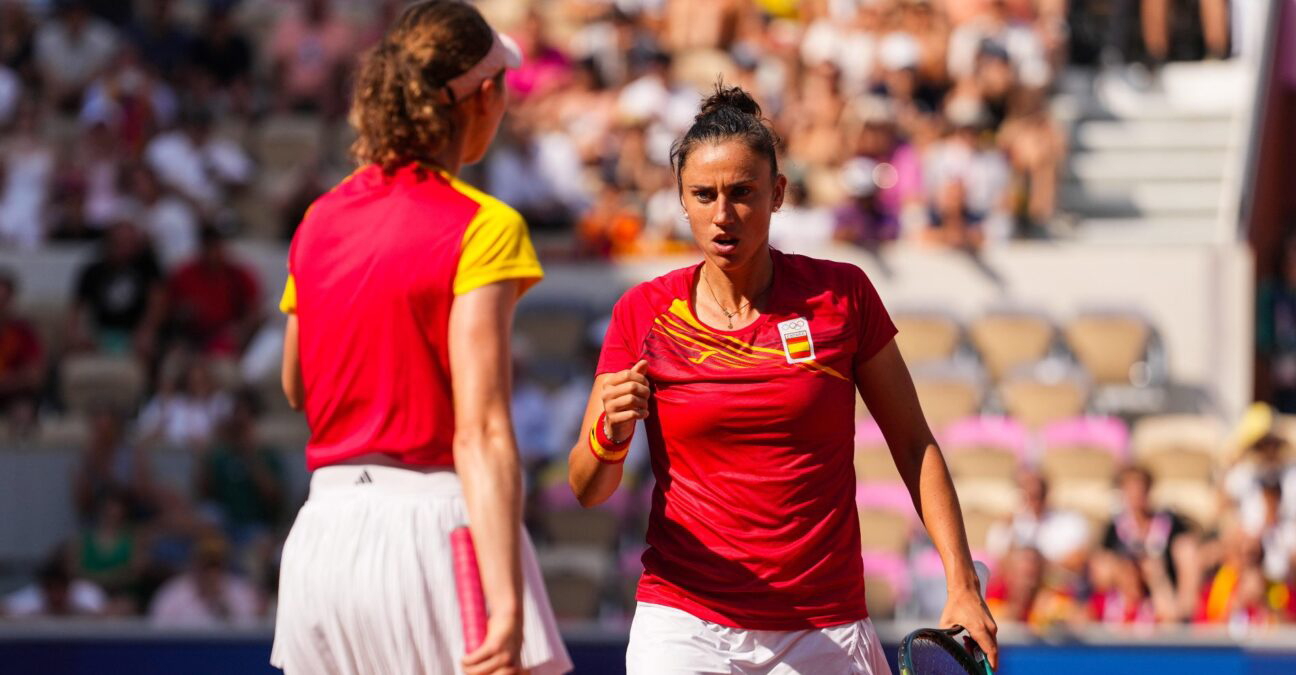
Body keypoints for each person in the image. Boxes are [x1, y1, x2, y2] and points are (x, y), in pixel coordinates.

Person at [567, 84, 997, 674]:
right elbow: (588, 488)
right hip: (684, 624)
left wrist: (962, 582)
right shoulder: (642, 312)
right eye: (704, 194)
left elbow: (912, 442)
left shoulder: (844, 295)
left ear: (779, 194)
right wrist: (608, 436)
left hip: (824, 625)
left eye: (743, 193)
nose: (723, 214)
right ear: (681, 201)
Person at [271, 3, 571, 674]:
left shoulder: (320, 217)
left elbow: (297, 384)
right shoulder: (483, 224)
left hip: (323, 538)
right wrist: (508, 603)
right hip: (436, 536)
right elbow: (484, 429)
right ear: (485, 96)